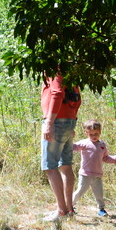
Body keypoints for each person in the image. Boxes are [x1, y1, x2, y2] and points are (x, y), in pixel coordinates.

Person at [41, 73, 82, 221]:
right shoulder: (69, 69)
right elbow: (77, 97)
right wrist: (72, 118)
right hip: (69, 119)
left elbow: (57, 93)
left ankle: (61, 210)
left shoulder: (54, 69)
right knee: (65, 165)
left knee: (50, 166)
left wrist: (49, 122)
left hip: (56, 121)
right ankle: (69, 209)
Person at [72, 119, 116, 216]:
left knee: (99, 193)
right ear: (86, 133)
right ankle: (69, 206)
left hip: (97, 175)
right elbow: (73, 147)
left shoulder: (102, 145)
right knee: (80, 191)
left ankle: (101, 209)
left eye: (96, 133)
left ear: (100, 132)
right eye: (91, 134)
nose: (94, 136)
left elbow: (105, 158)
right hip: (85, 174)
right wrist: (67, 140)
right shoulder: (84, 143)